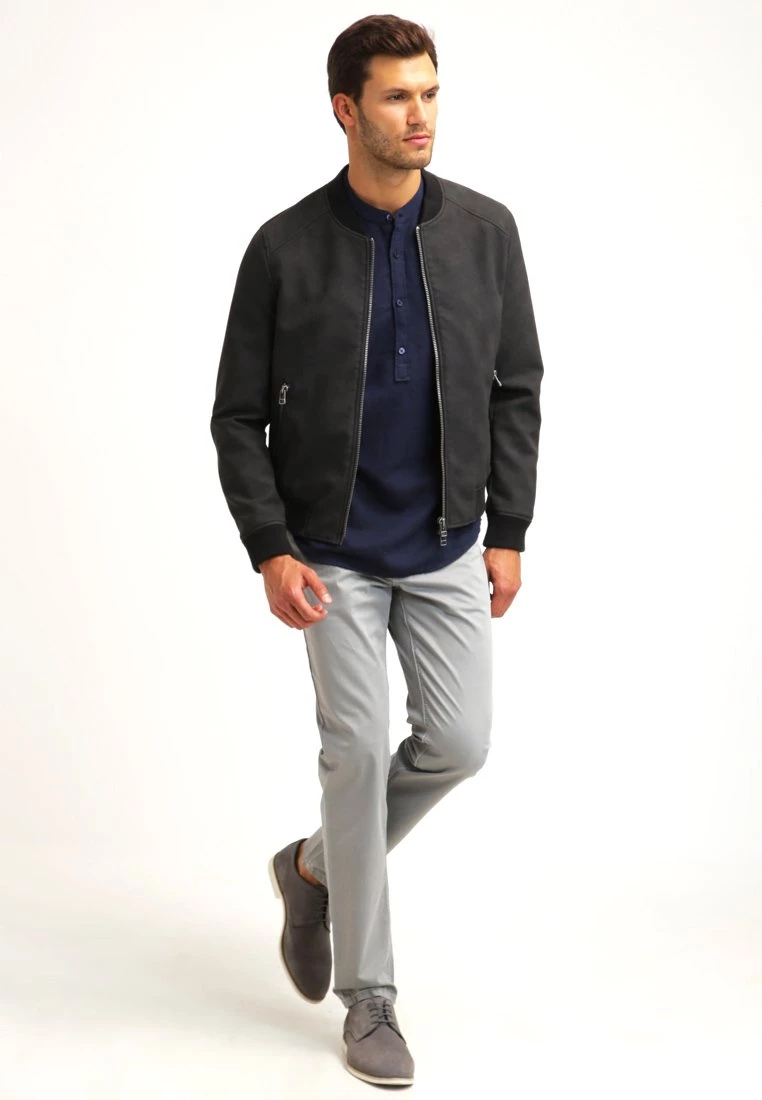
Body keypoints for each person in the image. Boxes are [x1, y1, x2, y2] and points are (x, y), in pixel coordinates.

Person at [210, 13, 544, 1088]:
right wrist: (271, 546)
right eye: (399, 96)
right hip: (332, 553)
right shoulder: (285, 248)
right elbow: (237, 415)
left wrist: (508, 529)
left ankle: (312, 868)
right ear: (346, 110)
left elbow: (516, 387)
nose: (421, 115)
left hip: (447, 542)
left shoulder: (485, 231)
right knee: (353, 756)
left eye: (431, 93)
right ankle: (372, 998)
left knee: (461, 740)